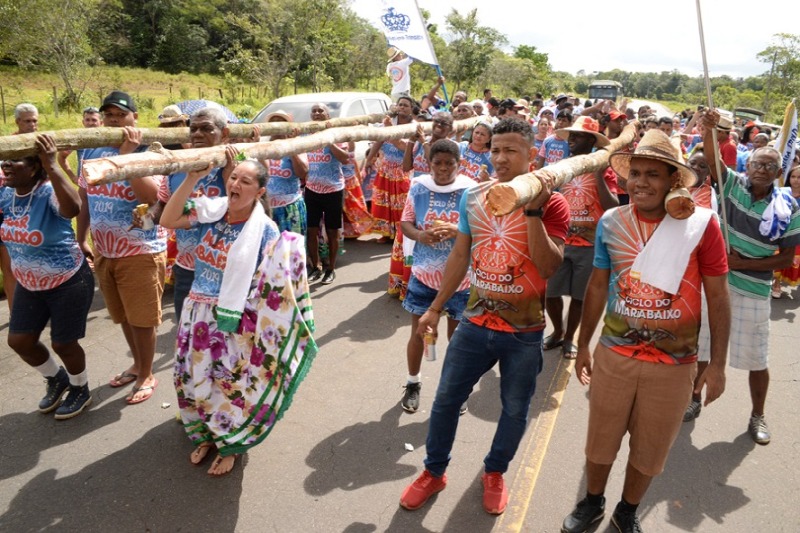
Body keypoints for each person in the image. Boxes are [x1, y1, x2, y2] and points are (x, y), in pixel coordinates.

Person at [561, 129, 731, 533]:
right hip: (615, 354)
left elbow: (719, 298)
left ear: (673, 179)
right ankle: (593, 502)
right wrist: (582, 344)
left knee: (651, 448)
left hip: (675, 364)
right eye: (634, 173)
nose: (640, 183)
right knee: (600, 439)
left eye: (652, 174)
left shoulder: (703, 226)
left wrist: (718, 364)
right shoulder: (611, 221)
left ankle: (627, 509)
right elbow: (598, 285)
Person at [399, 118, 570, 515]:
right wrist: (435, 308)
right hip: (474, 322)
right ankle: (434, 471)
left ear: (532, 155)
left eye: (511, 150)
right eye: (495, 149)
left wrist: (532, 212)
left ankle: (494, 473)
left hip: (524, 331)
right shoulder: (474, 197)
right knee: (444, 401)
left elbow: (548, 267)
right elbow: (460, 255)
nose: (500, 157)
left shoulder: (553, 202)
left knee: (514, 409)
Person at [161, 152, 317, 476]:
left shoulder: (265, 231)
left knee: (227, 385)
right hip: (195, 313)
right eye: (233, 178)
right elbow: (167, 219)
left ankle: (230, 444)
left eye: (245, 181)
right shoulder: (212, 212)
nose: (235, 184)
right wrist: (191, 178)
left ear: (259, 192)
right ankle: (205, 434)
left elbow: (274, 285)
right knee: (192, 376)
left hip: (230, 322)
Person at [687, 109, 800, 445]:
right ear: (747, 166)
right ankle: (694, 398)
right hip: (718, 285)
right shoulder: (731, 185)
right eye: (757, 164)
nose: (762, 169)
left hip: (753, 289)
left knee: (756, 359)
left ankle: (757, 414)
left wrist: (740, 264)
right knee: (702, 346)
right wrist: (708, 129)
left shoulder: (790, 209)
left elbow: (784, 258)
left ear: (779, 172)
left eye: (769, 166)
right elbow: (711, 158)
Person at [76, 90, 166, 404]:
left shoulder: (147, 151)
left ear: (134, 118)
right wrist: (80, 236)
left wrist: (127, 156)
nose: (114, 120)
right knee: (124, 316)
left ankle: (147, 374)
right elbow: (85, 196)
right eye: (109, 115)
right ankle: (137, 365)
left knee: (142, 317)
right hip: (104, 250)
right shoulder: (91, 150)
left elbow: (154, 197)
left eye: (121, 115)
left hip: (139, 248)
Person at [1, 135, 94, 419]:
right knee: (20, 341)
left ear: (33, 167)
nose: (5, 164)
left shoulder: (48, 192)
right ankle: (57, 379)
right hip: (29, 283)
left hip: (68, 281)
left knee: (63, 343)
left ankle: (80, 388)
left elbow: (73, 209)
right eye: (3, 159)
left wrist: (53, 165)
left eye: (13, 160)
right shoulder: (5, 194)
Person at [398, 139, 474, 413]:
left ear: (459, 164)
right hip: (424, 277)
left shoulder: (472, 191)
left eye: (449, 164)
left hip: (461, 281)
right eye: (437, 163)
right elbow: (406, 221)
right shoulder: (418, 187)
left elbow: (481, 228)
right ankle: (413, 383)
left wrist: (458, 230)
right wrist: (421, 235)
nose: (442, 169)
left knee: (459, 341)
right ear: (429, 164)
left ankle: (456, 390)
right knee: (420, 335)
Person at [544, 117, 617, 359]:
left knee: (579, 297)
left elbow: (611, 206)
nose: (572, 138)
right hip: (560, 241)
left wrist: (597, 174)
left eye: (578, 135)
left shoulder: (604, 169)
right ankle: (557, 331)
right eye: (571, 135)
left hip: (589, 245)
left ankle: (568, 338)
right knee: (550, 293)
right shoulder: (562, 166)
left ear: (591, 140)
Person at [150, 107, 231, 323]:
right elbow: (162, 208)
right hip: (187, 269)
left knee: (227, 341)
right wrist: (148, 217)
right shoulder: (179, 168)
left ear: (224, 133)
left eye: (206, 128)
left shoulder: (238, 165)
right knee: (188, 338)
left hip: (227, 269)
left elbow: (250, 210)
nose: (197, 134)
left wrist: (230, 174)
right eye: (193, 129)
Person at [305, 103, 349, 285]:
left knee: (332, 232)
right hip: (311, 189)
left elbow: (345, 158)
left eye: (320, 110)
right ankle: (315, 267)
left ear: (327, 115)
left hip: (333, 190)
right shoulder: (306, 136)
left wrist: (329, 140)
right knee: (311, 230)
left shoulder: (336, 135)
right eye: (313, 111)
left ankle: (330, 269)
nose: (316, 113)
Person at [2, 104, 40, 311]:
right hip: (7, 211)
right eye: (27, 121)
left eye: (35, 120)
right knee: (10, 266)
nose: (32, 125)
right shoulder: (7, 145)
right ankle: (17, 312)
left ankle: (27, 311)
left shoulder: (40, 144)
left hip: (31, 211)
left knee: (23, 264)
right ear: (17, 122)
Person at [367, 96, 414, 242]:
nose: (402, 107)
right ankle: (386, 233)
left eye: (406, 105)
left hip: (403, 170)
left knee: (400, 203)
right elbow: (379, 141)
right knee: (384, 202)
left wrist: (389, 130)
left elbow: (403, 146)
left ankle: (401, 234)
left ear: (411, 109)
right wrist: (369, 159)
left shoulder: (414, 126)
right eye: (400, 105)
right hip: (385, 169)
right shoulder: (388, 123)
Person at [263, 110, 308, 235]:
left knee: (291, 250)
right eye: (273, 122)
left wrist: (291, 148)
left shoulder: (296, 144)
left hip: (290, 207)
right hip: (267, 208)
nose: (277, 125)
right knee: (268, 250)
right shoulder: (263, 146)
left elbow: (303, 173)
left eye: (281, 122)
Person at [772, 165, 800, 298]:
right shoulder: (781, 192)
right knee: (779, 258)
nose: (796, 180)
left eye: (799, 177)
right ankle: (776, 284)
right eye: (793, 176)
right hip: (781, 231)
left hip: (797, 233)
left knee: (793, 260)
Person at [57, 106, 103, 185]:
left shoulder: (108, 138)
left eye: (94, 120)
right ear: (83, 122)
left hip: (104, 183)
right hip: (84, 184)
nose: (90, 123)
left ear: (101, 123)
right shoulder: (78, 138)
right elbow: (61, 157)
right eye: (87, 120)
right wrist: (72, 177)